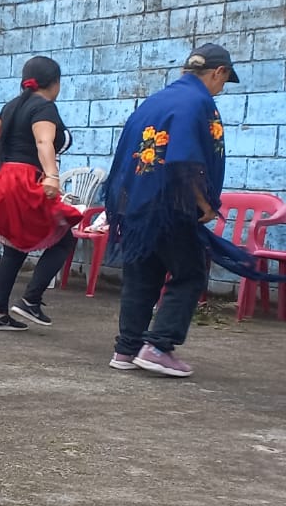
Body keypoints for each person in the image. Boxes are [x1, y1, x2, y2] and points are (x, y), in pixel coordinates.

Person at [105, 43, 249, 378]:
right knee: (190, 273)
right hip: (169, 206)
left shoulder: (157, 100)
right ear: (219, 72)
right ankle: (159, 346)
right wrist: (204, 204)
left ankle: (126, 349)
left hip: (137, 203)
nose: (221, 88)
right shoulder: (198, 102)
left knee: (143, 275)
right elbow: (183, 159)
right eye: (223, 81)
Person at [0, 55, 82, 332]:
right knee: (64, 238)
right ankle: (31, 299)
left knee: (14, 247)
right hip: (23, 181)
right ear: (54, 83)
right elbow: (44, 141)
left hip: (0, 178)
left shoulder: (13, 105)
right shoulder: (44, 107)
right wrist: (52, 176)